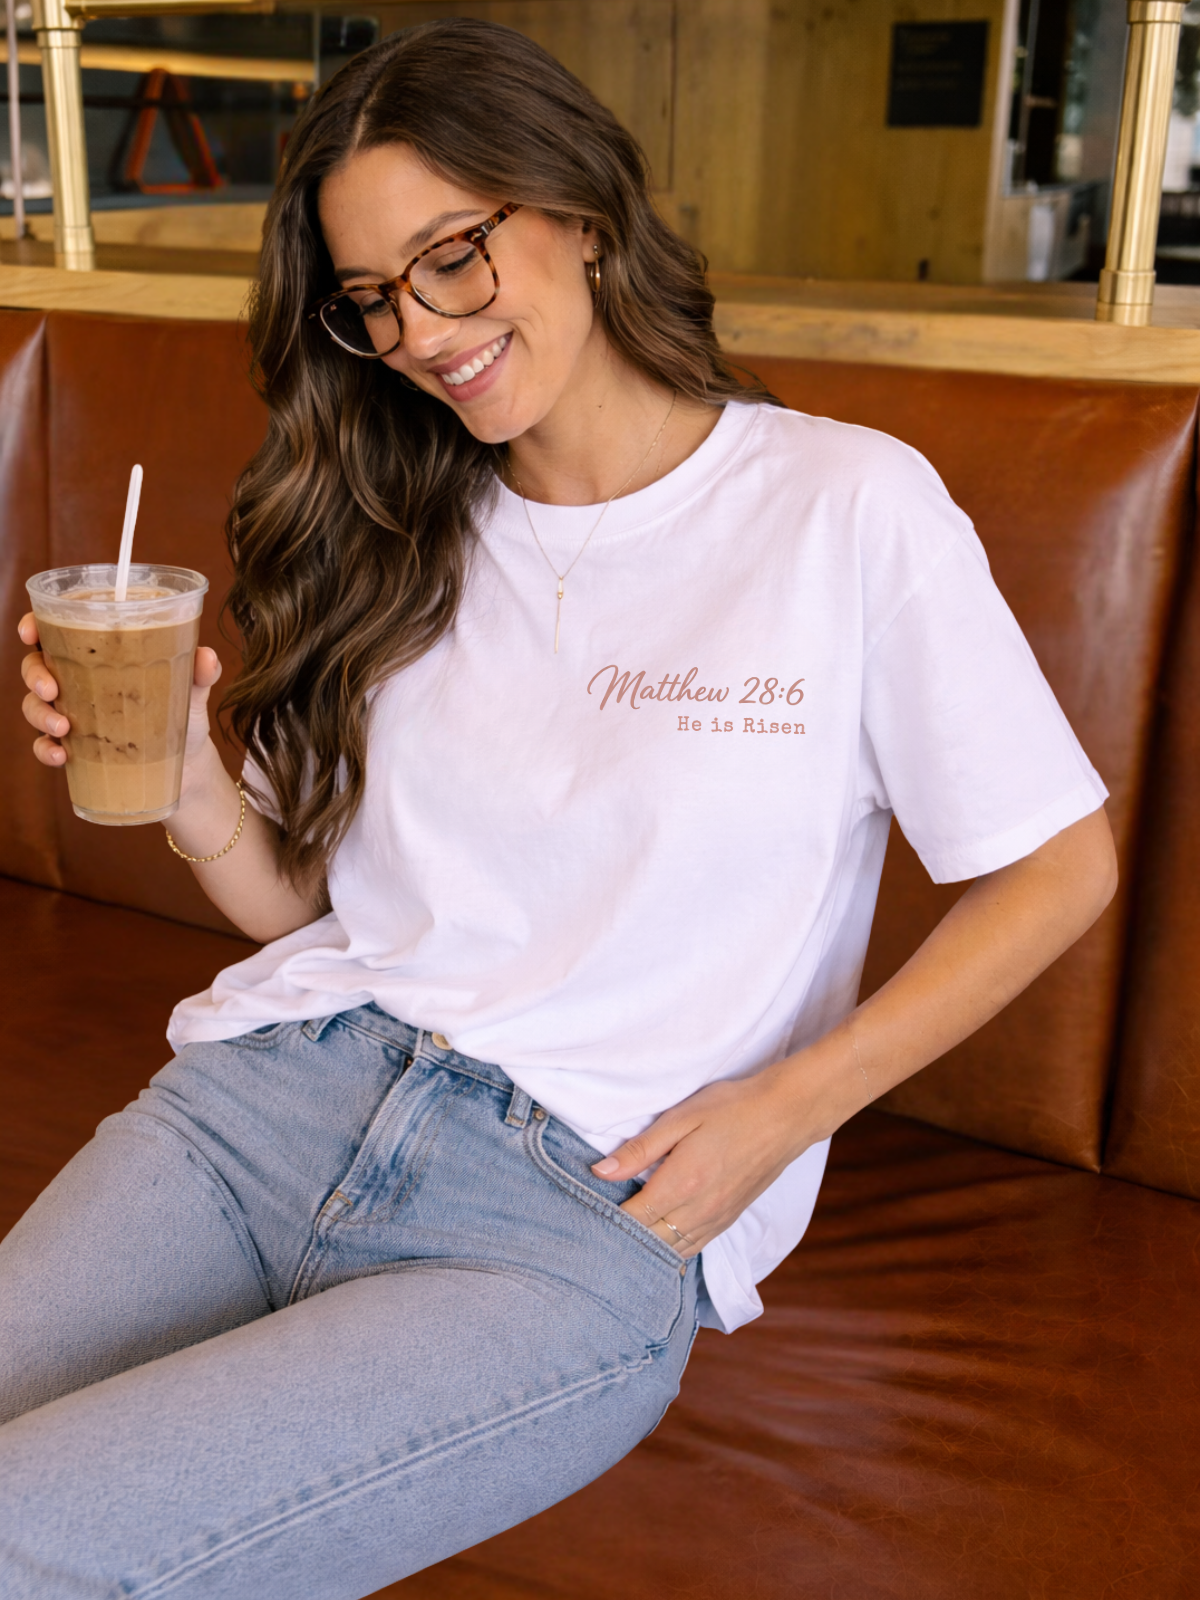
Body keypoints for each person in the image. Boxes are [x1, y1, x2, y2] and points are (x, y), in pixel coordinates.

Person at [2, 18, 1117, 1598]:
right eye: (375, 297)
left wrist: (787, 1110)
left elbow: (1060, 866)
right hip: (268, 1102)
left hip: (561, 1221)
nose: (421, 330)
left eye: (454, 256)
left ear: (579, 211)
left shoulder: (842, 506)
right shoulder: (402, 515)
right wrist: (187, 783)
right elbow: (324, 920)